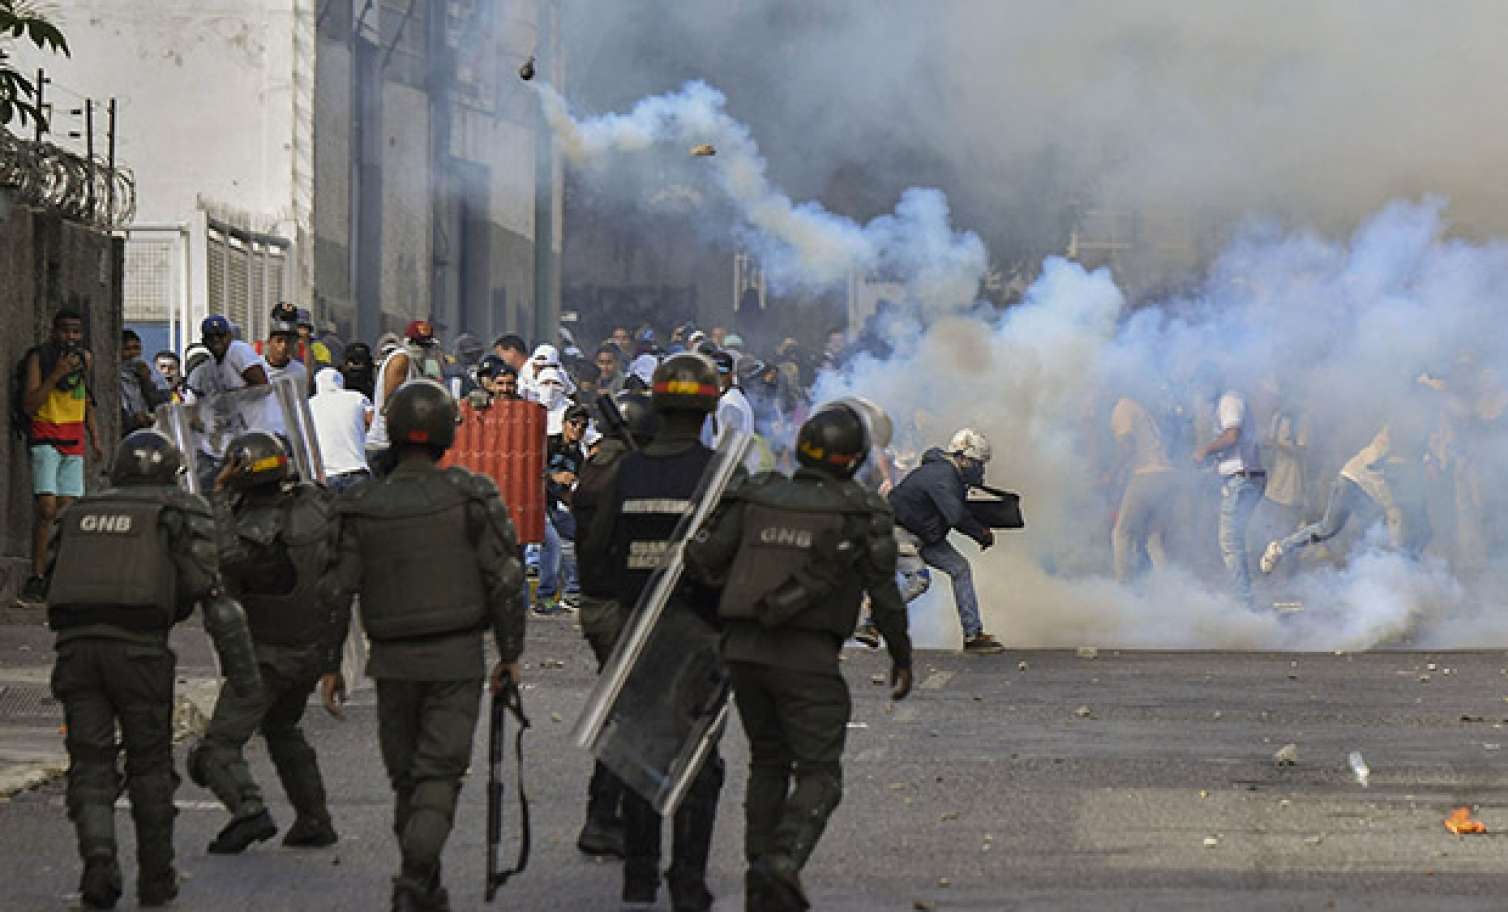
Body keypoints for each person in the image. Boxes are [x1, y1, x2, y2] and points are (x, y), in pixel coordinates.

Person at [686, 401, 913, 912]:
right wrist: (901, 657)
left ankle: (759, 882)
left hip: (741, 651)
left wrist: (739, 601)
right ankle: (781, 862)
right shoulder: (860, 510)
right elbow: (885, 590)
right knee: (819, 774)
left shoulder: (758, 493)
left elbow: (700, 557)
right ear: (854, 459)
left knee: (767, 761)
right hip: (807, 655)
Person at [323, 379, 526, 912]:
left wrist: (331, 666)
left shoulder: (363, 504)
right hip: (456, 659)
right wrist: (510, 653)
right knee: (438, 774)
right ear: (444, 432)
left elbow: (336, 591)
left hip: (391, 663)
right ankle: (416, 878)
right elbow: (506, 580)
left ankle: (422, 880)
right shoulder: (471, 493)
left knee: (408, 779)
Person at [46, 429, 262, 909]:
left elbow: (50, 576)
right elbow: (206, 586)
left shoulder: (77, 511)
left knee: (90, 763)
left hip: (76, 651)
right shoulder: (180, 511)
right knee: (149, 767)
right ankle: (156, 879)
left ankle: (98, 861)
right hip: (140, 651)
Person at [580, 353, 727, 910]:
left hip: (636, 632)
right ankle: (687, 881)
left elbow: (594, 561)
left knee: (640, 754)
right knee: (698, 763)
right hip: (698, 637)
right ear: (711, 404)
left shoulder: (626, 472)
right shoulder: (719, 472)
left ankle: (639, 878)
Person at [188, 432, 341, 855]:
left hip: (266, 654)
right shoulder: (315, 503)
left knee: (217, 748)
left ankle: (248, 811)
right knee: (283, 728)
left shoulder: (254, 531)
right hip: (311, 648)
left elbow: (229, 560)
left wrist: (218, 496)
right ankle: (314, 819)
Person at [570, 390, 657, 858]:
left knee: (627, 708)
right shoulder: (624, 470)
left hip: (600, 602)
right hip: (617, 604)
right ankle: (602, 818)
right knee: (630, 714)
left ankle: (610, 815)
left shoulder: (599, 460)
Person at [887, 427, 1005, 654]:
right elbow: (955, 515)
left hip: (923, 535)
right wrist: (981, 533)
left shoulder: (946, 475)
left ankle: (973, 635)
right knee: (919, 581)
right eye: (978, 463)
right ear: (962, 458)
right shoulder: (943, 476)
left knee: (960, 568)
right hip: (898, 532)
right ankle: (873, 617)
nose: (980, 470)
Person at [18, 309, 105, 604]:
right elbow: (30, 403)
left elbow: (87, 401)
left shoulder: (84, 361)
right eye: (65, 331)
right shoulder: (40, 358)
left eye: (76, 332)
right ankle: (37, 575)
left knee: (68, 514)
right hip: (45, 437)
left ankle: (61, 574)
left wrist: (95, 437)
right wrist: (56, 374)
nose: (71, 337)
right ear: (54, 331)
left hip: (73, 441)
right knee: (46, 508)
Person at [1190, 369, 1264, 609]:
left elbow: (1232, 436)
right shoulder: (1225, 403)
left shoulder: (1229, 400)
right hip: (1242, 478)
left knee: (1230, 542)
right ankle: (1243, 598)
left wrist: (1205, 450)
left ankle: (1243, 603)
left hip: (1242, 478)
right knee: (1235, 540)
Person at [1109, 394, 1177, 581]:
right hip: (1166, 475)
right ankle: (1167, 590)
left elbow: (1127, 448)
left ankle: (1123, 590)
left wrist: (1111, 475)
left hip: (1147, 475)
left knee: (1121, 534)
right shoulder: (1139, 407)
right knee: (1152, 540)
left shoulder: (1122, 407)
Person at [366, 320, 446, 475]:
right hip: (386, 445)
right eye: (418, 345)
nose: (422, 350)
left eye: (426, 346)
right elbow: (390, 406)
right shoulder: (401, 360)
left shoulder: (423, 365)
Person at [536, 403, 589, 615]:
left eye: (583, 426)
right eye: (573, 424)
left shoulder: (578, 456)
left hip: (554, 505)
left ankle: (572, 593)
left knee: (582, 536)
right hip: (537, 505)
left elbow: (567, 490)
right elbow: (532, 471)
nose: (577, 429)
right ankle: (545, 597)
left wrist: (574, 503)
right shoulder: (549, 444)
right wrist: (553, 476)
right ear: (564, 424)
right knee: (554, 545)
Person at [309, 367, 372, 492]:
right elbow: (373, 421)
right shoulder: (357, 397)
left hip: (325, 476)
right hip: (357, 470)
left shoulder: (309, 404)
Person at [119, 330, 169, 434]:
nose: (133, 353)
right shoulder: (116, 374)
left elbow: (162, 403)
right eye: (127, 349)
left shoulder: (151, 371)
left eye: (136, 348)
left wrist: (146, 380)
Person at [262, 314, 309, 392]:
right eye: (279, 340)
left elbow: (302, 401)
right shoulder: (256, 368)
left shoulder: (299, 371)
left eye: (288, 341)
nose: (284, 346)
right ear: (269, 342)